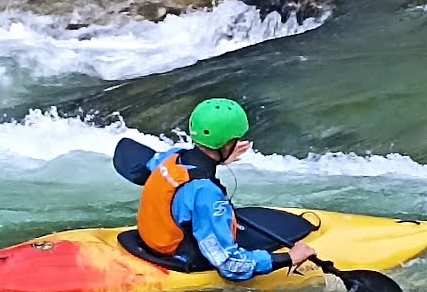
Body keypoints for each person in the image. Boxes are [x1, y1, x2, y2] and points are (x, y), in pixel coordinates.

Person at [136, 97, 317, 280]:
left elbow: (179, 180)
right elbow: (229, 265)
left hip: (151, 242)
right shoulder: (205, 193)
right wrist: (288, 258)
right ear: (228, 143)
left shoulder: (172, 158)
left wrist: (218, 159)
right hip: (181, 256)